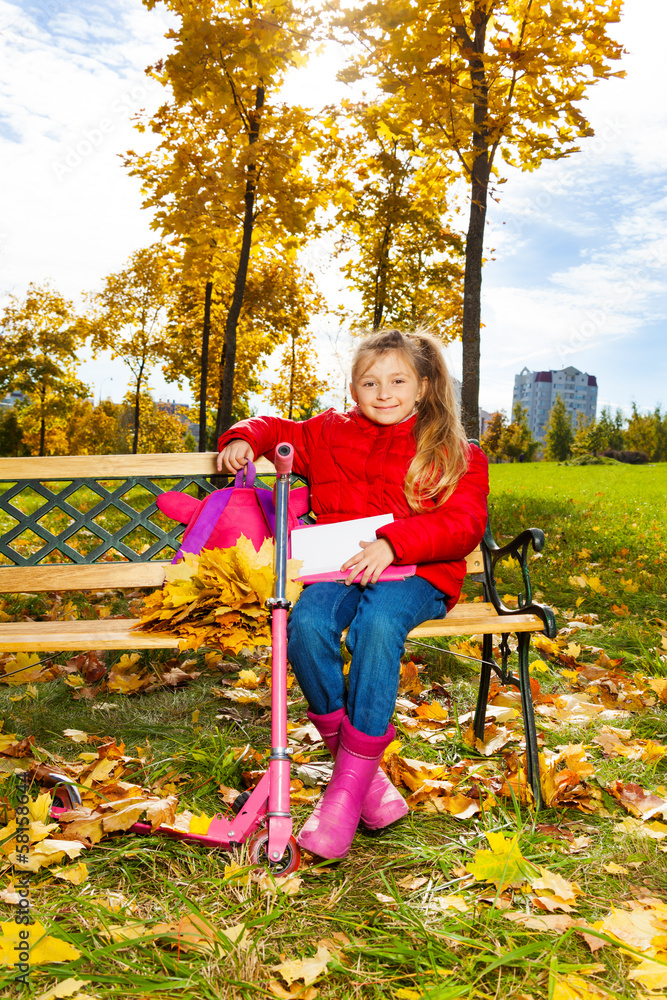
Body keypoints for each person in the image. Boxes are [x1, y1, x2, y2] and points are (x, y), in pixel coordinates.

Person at [217, 328, 489, 860]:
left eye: (397, 381)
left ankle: (344, 794)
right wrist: (244, 437)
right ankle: (365, 781)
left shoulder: (455, 450)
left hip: (418, 570)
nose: (383, 393)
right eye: (370, 382)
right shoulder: (329, 432)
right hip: (339, 566)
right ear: (353, 387)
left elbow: (464, 522)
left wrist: (394, 542)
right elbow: (278, 428)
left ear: (424, 385)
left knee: (378, 626)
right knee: (307, 625)